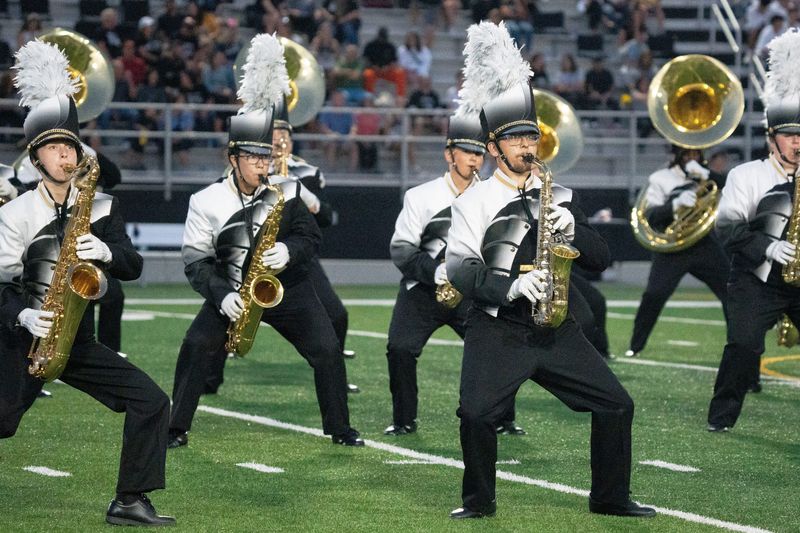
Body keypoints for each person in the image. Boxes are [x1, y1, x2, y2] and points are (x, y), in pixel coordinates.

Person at [445, 21, 654, 519]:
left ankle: (609, 498)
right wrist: (511, 285)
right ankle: (478, 502)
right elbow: (459, 271)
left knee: (616, 404)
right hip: (498, 331)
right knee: (475, 414)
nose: (527, 145)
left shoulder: (556, 194)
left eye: (531, 135)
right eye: (515, 138)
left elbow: (601, 259)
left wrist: (572, 228)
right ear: (493, 148)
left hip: (556, 328)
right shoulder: (474, 201)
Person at [1, 41, 174, 526]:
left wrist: (107, 255)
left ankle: (130, 499)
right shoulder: (15, 213)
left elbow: (133, 265)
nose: (65, 155)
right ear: (36, 159)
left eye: (70, 146)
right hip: (19, 338)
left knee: (151, 401)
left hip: (74, 337)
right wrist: (21, 314)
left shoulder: (102, 207)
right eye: (54, 148)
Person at [168, 33, 363, 449]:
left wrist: (288, 250)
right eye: (254, 157)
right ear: (232, 158)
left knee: (327, 349)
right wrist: (222, 297)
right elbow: (196, 263)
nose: (263, 164)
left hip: (287, 287)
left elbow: (310, 237)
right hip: (233, 289)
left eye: (266, 157)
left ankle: (340, 428)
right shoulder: (206, 201)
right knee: (196, 344)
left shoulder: (287, 190)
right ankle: (175, 427)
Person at [385, 112, 524, 436]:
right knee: (400, 348)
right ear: (449, 155)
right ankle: (404, 420)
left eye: (479, 153)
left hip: (471, 291)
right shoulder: (420, 196)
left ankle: (505, 418)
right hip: (423, 289)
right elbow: (402, 250)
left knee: (499, 347)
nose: (475, 160)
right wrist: (437, 270)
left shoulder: (494, 196)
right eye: (467, 152)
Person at [707, 29, 800, 432]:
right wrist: (768, 247)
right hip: (756, 279)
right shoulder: (748, 176)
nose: (797, 143)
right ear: (771, 138)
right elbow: (727, 230)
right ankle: (722, 416)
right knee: (744, 346)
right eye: (789, 136)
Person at [624, 146, 729, 358]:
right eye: (687, 155)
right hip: (672, 247)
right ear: (677, 156)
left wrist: (706, 174)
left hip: (704, 244)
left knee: (732, 292)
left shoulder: (709, 177)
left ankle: (740, 350)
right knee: (654, 295)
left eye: (696, 154)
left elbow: (732, 187)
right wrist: (675, 205)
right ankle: (635, 345)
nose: (692, 158)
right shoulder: (660, 178)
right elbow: (651, 216)